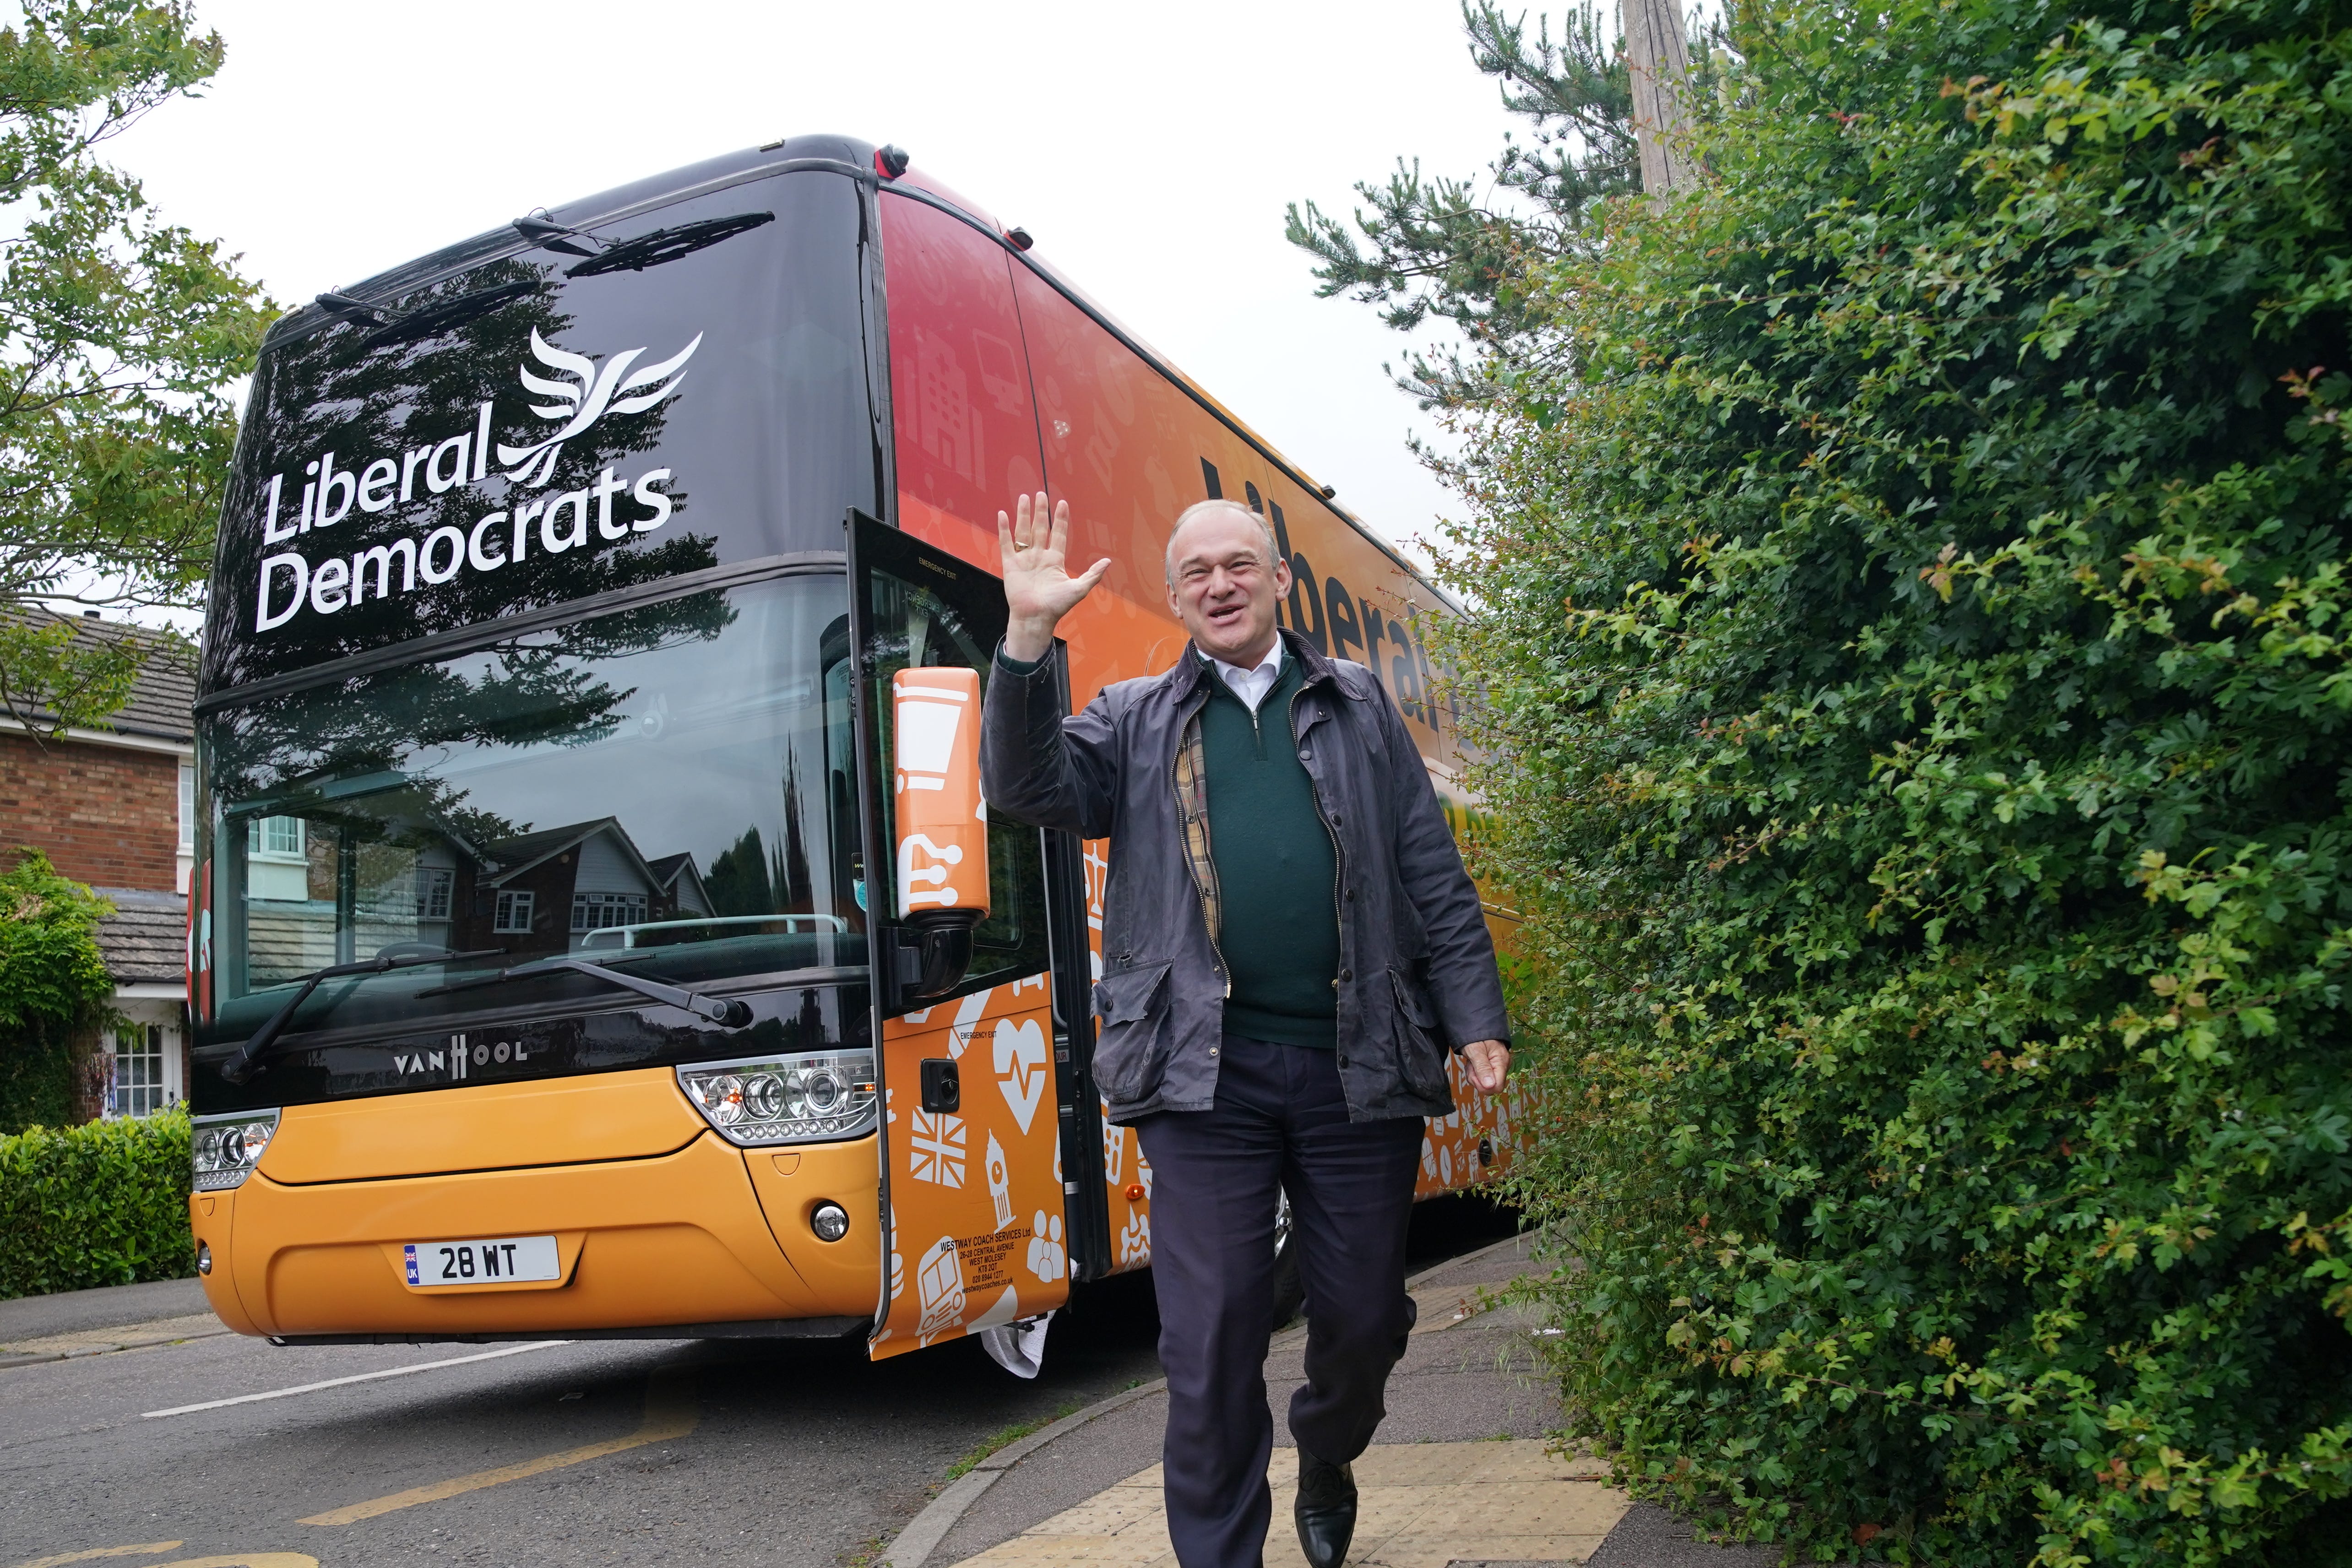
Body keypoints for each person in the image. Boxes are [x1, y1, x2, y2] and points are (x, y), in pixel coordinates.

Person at [980, 492, 1511, 1568]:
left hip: (1357, 1061)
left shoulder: (1359, 705)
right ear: (1176, 598)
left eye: (1238, 565)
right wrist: (1028, 638)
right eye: (1194, 574)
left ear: (1278, 580)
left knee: (1362, 1320)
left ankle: (1327, 1444)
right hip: (1200, 1075)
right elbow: (1026, 786)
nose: (1217, 586)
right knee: (1211, 1336)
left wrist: (1474, 1015)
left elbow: (1429, 872)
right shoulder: (1131, 719)